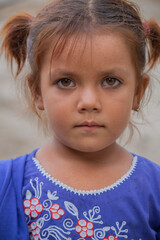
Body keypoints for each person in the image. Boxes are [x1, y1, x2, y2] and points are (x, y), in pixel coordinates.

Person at [0, 0, 160, 239]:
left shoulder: (154, 188)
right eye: (66, 82)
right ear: (37, 92)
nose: (88, 102)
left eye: (110, 81)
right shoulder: (7, 183)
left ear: (137, 92)